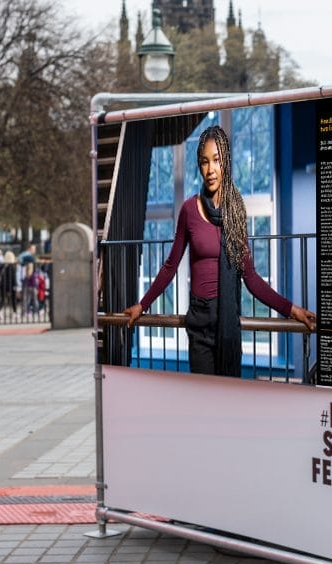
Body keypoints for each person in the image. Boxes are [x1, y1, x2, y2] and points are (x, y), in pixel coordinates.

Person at [123, 125, 316, 377]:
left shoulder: (236, 213)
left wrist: (293, 310)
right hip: (199, 324)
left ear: (226, 162)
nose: (210, 169)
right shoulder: (189, 210)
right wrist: (142, 305)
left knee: (227, 405)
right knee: (204, 404)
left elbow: (252, 279)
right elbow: (170, 266)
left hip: (226, 324)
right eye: (204, 162)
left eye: (216, 160)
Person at [0, 251, 18, 319]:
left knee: (3, 299)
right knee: (13, 299)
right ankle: (14, 312)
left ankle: (0, 312)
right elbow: (13, 277)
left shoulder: (3, 266)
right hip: (11, 284)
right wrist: (15, 285)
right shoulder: (12, 267)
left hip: (3, 284)